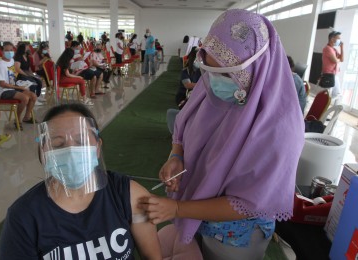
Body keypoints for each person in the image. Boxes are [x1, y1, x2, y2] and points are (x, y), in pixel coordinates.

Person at [139, 9, 305, 260]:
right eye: (209, 69)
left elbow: (248, 203)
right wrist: (176, 155)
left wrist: (178, 208)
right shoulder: (212, 88)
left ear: (257, 66)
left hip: (235, 234)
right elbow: (184, 127)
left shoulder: (280, 130)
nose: (215, 81)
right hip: (198, 214)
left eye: (228, 73)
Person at [0, 103, 162, 259]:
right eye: (57, 144)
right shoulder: (23, 216)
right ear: (44, 153)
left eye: (81, 142)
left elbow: (152, 256)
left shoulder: (128, 194)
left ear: (97, 147)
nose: (71, 152)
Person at [0, 41, 37, 130]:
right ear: (2, 51)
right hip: (4, 91)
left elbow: (14, 76)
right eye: (7, 50)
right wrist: (19, 87)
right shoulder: (0, 64)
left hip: (14, 87)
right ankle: (17, 120)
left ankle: (26, 117)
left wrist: (22, 84)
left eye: (11, 50)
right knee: (25, 98)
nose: (10, 52)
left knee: (33, 96)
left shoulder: (12, 61)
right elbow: (2, 84)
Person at [167, 47, 201, 134]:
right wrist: (204, 85)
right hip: (183, 97)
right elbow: (188, 85)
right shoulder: (185, 71)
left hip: (194, 97)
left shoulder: (202, 71)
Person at [322, 31, 344, 105]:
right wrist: (338, 60)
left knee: (335, 95)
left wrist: (342, 47)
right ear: (332, 39)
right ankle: (325, 113)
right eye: (338, 38)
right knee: (329, 95)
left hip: (334, 75)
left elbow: (342, 59)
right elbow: (335, 60)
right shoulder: (327, 48)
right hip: (329, 75)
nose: (340, 41)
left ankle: (330, 113)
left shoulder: (334, 49)